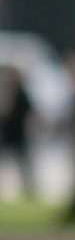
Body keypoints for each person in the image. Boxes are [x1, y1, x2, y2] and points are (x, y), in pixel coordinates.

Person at [0, 63, 35, 197]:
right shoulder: (9, 91)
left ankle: (29, 187)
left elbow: (26, 111)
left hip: (17, 132)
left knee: (23, 161)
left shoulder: (21, 92)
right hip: (9, 132)